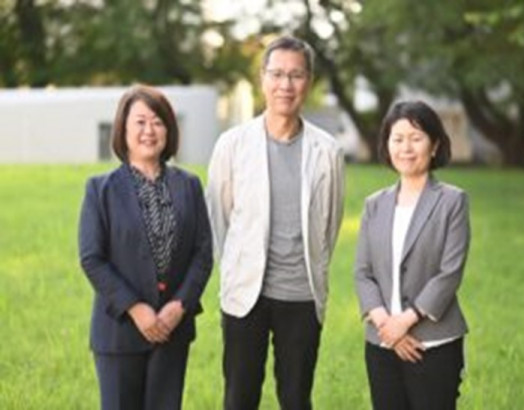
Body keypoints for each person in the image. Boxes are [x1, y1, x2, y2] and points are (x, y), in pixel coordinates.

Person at [206, 36, 345, 410]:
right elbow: (219, 218)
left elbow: (328, 226)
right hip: (245, 296)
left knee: (297, 399)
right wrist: (238, 266)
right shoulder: (232, 144)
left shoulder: (327, 151)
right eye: (278, 74)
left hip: (301, 294)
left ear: (309, 81)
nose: (286, 85)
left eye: (296, 75)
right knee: (239, 398)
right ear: (262, 79)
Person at [78, 85, 213, 410]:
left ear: (169, 129)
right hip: (119, 330)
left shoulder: (189, 185)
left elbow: (203, 253)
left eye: (158, 122)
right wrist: (136, 308)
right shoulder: (100, 189)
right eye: (140, 122)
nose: (149, 131)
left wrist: (179, 306)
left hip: (172, 330)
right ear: (123, 130)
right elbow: (92, 258)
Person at [354, 100, 470, 410]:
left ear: (434, 146)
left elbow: (450, 272)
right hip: (381, 344)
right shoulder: (374, 205)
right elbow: (362, 273)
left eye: (416, 138)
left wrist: (405, 322)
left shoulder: (452, 201)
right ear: (387, 145)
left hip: (433, 344)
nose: (406, 147)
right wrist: (387, 328)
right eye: (398, 138)